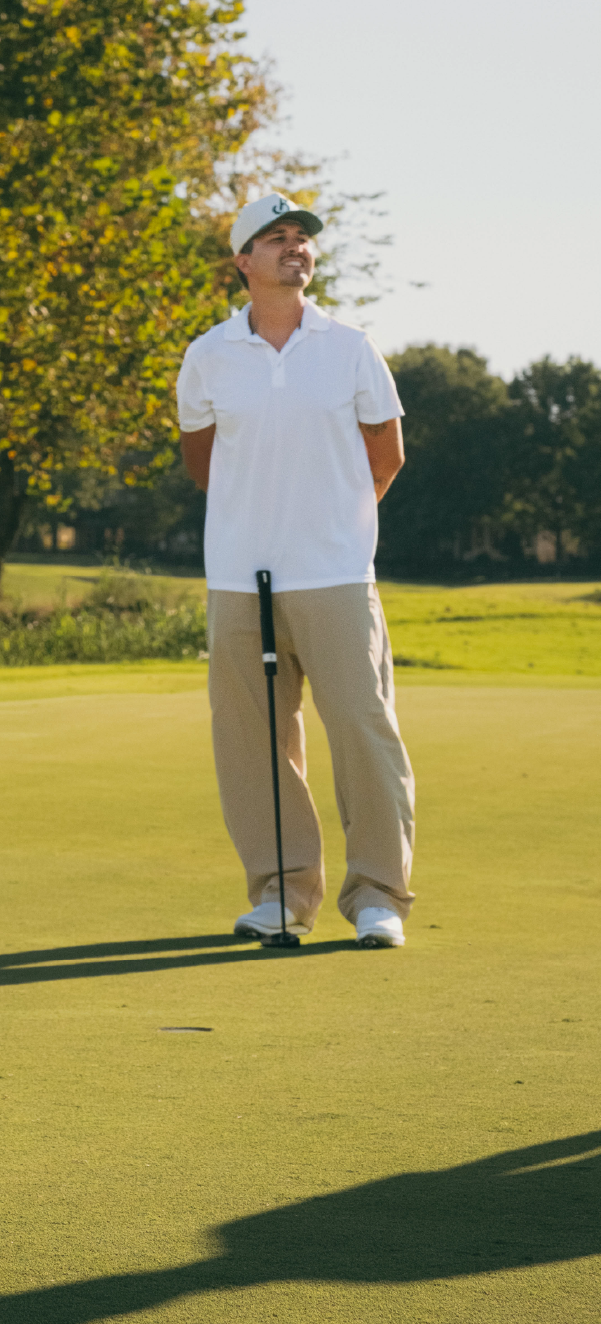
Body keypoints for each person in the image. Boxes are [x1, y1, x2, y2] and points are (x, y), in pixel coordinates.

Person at [176, 193, 414, 949]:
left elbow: (386, 456)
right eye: (275, 239)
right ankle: (280, 893)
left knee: (361, 728)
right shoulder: (207, 354)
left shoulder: (350, 347)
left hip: (335, 573)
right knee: (252, 740)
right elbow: (204, 465)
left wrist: (329, 522)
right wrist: (261, 522)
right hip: (238, 581)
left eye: (301, 239)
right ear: (242, 261)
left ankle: (377, 894)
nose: (295, 248)